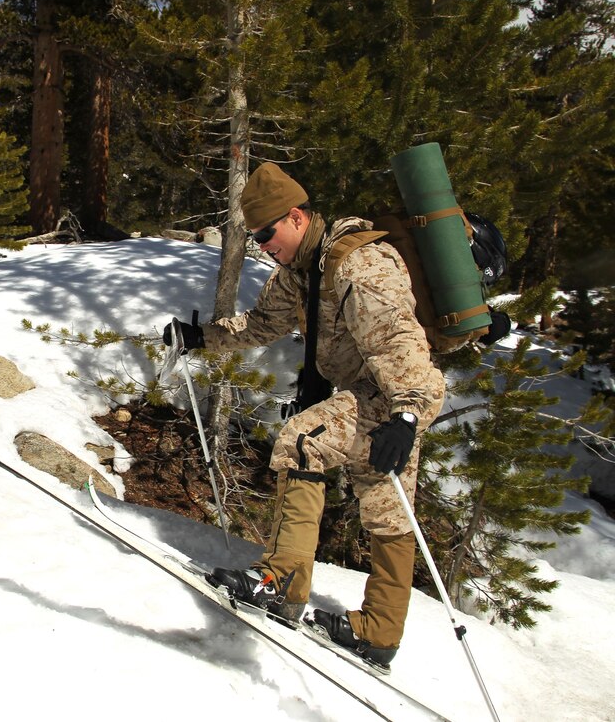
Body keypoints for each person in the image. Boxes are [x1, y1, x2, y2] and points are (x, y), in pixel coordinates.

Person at [163, 162, 447, 670]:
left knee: (301, 440)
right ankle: (378, 633)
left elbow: (402, 345)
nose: (262, 245)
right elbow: (262, 323)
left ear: (296, 217)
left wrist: (406, 417)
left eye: (267, 234)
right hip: (374, 394)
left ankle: (283, 584)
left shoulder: (361, 266)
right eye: (254, 239)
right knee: (387, 506)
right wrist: (201, 336)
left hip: (396, 392)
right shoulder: (299, 272)